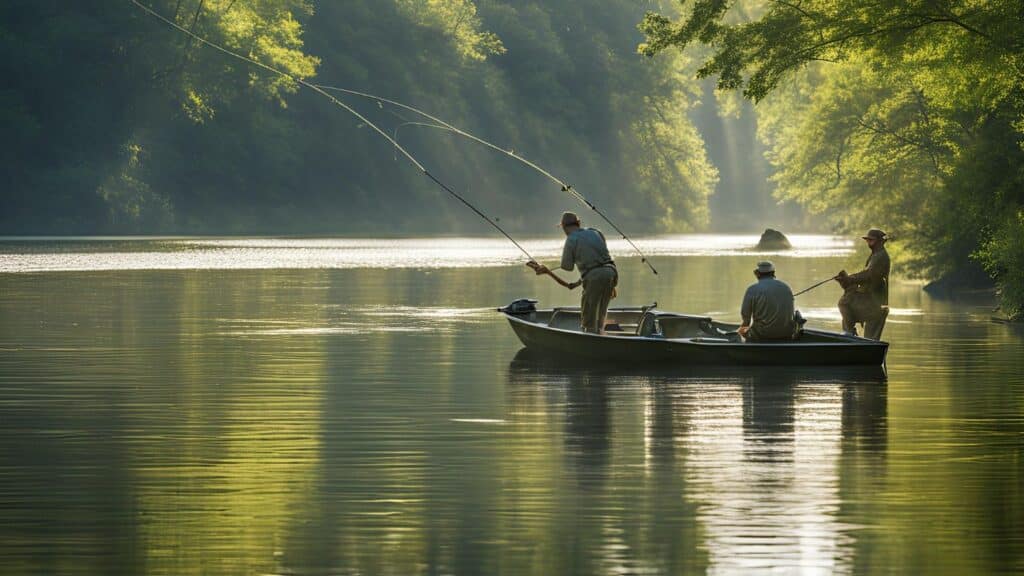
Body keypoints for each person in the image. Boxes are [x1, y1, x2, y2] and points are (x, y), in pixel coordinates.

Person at [529, 211, 618, 333]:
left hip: (594, 277)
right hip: (611, 273)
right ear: (579, 223)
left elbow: (566, 268)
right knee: (601, 315)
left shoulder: (571, 239)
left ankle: (591, 339)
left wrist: (546, 271)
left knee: (589, 319)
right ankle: (601, 335)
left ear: (564, 227)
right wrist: (611, 283)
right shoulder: (596, 232)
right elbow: (602, 260)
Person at [835, 229, 890, 340]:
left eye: (871, 240)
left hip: (875, 303)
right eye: (867, 240)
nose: (868, 242)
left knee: (871, 340)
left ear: (880, 241)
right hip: (869, 300)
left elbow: (868, 275)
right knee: (845, 303)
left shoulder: (881, 256)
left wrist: (850, 279)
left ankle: (850, 335)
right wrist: (846, 280)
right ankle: (849, 334)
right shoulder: (875, 255)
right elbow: (866, 275)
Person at [739, 261, 796, 341]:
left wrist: (742, 331)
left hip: (761, 335)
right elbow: (791, 312)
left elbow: (746, 317)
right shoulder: (786, 287)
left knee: (742, 331)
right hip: (786, 334)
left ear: (757, 274)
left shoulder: (752, 289)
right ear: (773, 273)